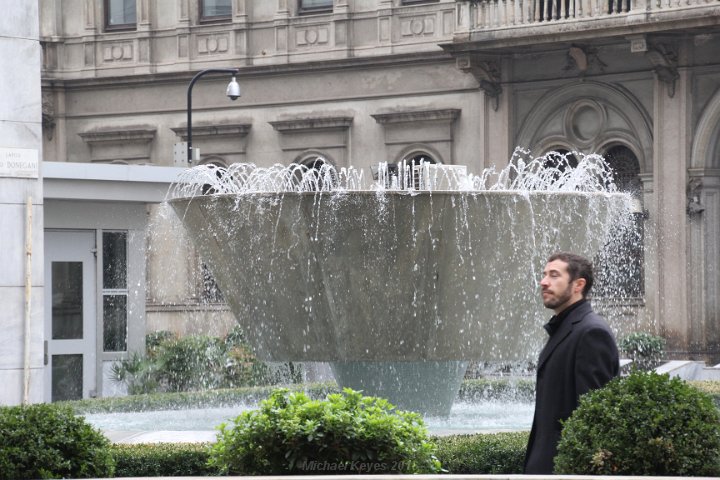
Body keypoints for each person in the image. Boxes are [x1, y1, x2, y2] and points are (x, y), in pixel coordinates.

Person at [523, 252, 619, 474]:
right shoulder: (565, 328)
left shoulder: (591, 333)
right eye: (544, 274)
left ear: (578, 285)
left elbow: (594, 419)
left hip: (564, 470)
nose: (544, 282)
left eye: (554, 275)